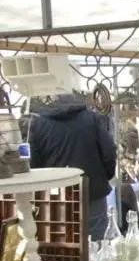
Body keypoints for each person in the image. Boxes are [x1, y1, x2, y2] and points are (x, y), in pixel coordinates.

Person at [25, 93, 116, 240]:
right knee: (98, 246)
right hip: (92, 192)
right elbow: (109, 152)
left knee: (64, 248)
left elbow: (34, 164)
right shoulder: (92, 119)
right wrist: (104, 176)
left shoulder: (39, 124)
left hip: (57, 196)